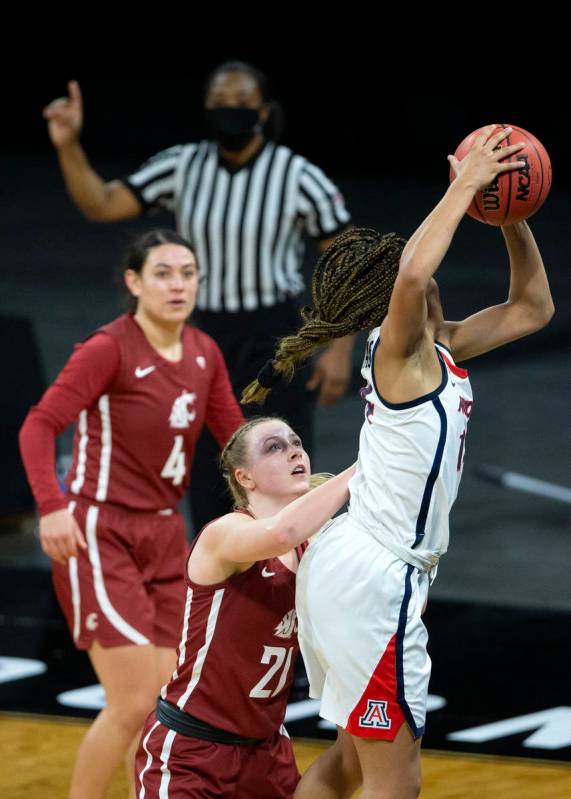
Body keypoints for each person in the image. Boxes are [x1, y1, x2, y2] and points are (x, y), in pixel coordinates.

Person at [241, 125, 555, 799]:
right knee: (396, 782)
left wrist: (509, 216)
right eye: (408, 279)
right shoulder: (399, 353)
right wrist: (466, 184)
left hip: (356, 568)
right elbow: (413, 268)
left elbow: (534, 307)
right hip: (374, 579)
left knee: (350, 764)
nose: (425, 275)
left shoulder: (439, 349)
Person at [42, 63, 353, 531]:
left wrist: (342, 347)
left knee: (280, 470)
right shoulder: (182, 164)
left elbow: (348, 260)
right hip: (200, 335)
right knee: (211, 469)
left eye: (242, 103)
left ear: (264, 111)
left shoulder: (296, 175)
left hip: (274, 337)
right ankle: (214, 589)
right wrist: (67, 144)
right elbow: (101, 203)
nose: (231, 111)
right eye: (220, 102)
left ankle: (291, 589)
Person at [19, 228, 244, 799]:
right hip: (101, 532)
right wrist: (51, 506)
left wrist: (289, 490)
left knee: (166, 706)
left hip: (167, 533)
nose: (177, 285)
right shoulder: (109, 348)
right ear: (134, 282)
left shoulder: (203, 351)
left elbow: (235, 441)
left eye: (187, 273)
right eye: (163, 273)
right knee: (132, 703)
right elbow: (39, 426)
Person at [134, 415, 355, 798]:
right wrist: (367, 464)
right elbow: (280, 533)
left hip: (265, 752)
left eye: (295, 442)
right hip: (192, 750)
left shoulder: (314, 545)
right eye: (275, 447)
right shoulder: (224, 533)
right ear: (245, 478)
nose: (294, 452)